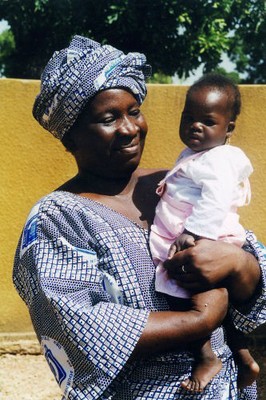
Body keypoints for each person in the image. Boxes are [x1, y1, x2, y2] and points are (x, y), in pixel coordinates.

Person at [13, 35, 266, 400]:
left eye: (133, 111)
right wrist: (200, 321)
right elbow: (75, 324)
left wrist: (240, 264)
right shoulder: (59, 217)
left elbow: (255, 276)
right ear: (71, 139)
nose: (130, 128)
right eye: (109, 118)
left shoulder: (177, 182)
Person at [149, 74, 260, 393]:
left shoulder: (220, 160)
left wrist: (194, 233)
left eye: (207, 121)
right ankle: (241, 354)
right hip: (194, 234)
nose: (195, 126)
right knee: (208, 301)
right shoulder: (198, 155)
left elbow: (216, 198)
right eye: (189, 118)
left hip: (204, 238)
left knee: (196, 298)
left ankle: (206, 357)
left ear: (229, 128)